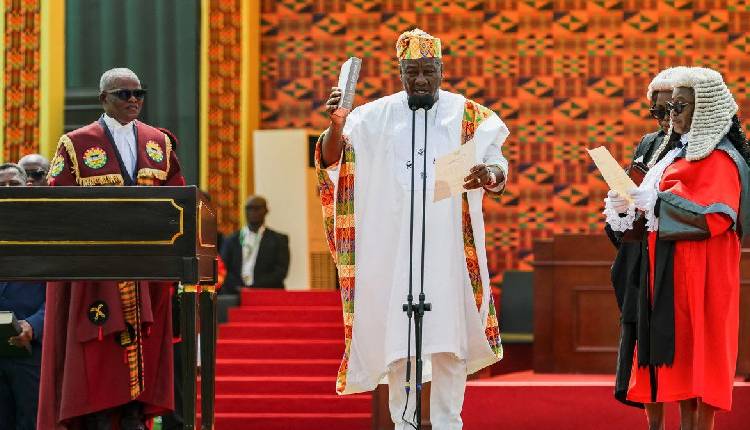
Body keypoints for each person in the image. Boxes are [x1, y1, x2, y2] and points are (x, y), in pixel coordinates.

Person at [316, 29, 508, 429]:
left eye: (428, 71)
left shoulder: (471, 116)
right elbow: (332, 162)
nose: (420, 80)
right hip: (393, 252)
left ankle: (448, 423)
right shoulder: (372, 116)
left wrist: (487, 174)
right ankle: (403, 424)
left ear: (441, 69)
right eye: (411, 73)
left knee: (450, 343)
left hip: (451, 251)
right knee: (399, 344)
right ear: (399, 72)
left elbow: (498, 166)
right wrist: (336, 125)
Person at [38, 67, 185, 430]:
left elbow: (178, 196)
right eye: (124, 94)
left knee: (145, 340)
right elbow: (55, 200)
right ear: (104, 98)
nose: (133, 100)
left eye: (139, 93)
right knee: (100, 341)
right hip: (97, 266)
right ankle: (101, 410)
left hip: (147, 266)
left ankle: (136, 410)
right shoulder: (75, 142)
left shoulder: (159, 143)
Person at [610, 67, 750, 430]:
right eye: (671, 107)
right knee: (673, 356)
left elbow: (715, 216)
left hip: (702, 275)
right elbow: (650, 208)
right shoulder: (673, 155)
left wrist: (655, 203)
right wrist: (627, 208)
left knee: (698, 357)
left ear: (706, 109)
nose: (673, 115)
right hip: (668, 273)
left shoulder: (721, 158)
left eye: (681, 106)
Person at [602, 67, 684, 408]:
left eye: (671, 110)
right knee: (644, 351)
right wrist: (620, 205)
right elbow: (631, 185)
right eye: (657, 113)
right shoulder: (649, 143)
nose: (664, 119)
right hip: (641, 258)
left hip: (679, 259)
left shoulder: (704, 146)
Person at [0, 164, 46, 430]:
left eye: (13, 185)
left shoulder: (45, 235)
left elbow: (57, 294)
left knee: (31, 421)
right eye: (1, 187)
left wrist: (34, 325)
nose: (7, 191)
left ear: (27, 187)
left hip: (31, 351)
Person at [221, 196, 290, 292]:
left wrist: (254, 288)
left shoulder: (279, 240)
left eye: (257, 208)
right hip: (235, 294)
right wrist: (238, 287)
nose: (252, 212)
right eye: (249, 208)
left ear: (266, 211)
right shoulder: (230, 240)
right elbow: (223, 269)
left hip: (267, 293)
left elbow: (280, 271)